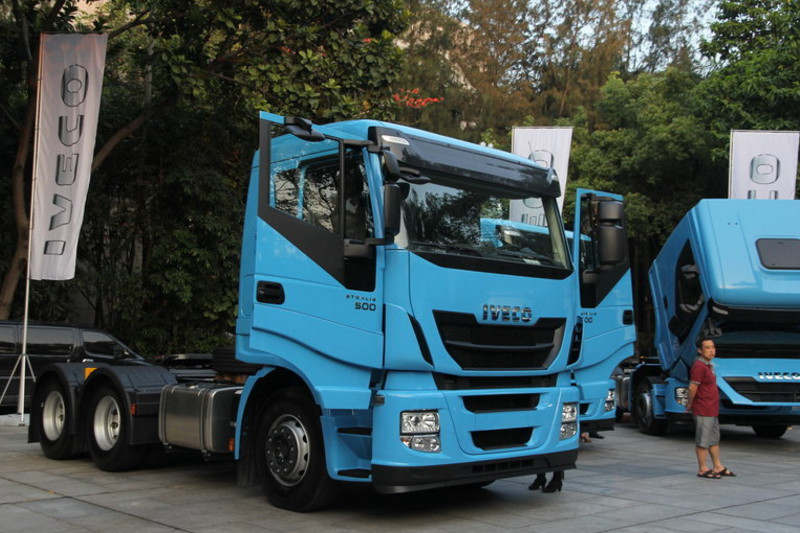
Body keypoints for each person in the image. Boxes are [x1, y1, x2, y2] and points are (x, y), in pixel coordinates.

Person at [688, 337, 736, 479]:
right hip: (703, 408)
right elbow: (692, 387)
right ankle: (702, 469)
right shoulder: (699, 366)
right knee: (703, 440)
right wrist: (689, 403)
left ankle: (718, 466)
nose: (711, 350)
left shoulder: (709, 365)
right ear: (700, 350)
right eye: (707, 348)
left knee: (713, 439)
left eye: (713, 347)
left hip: (711, 409)